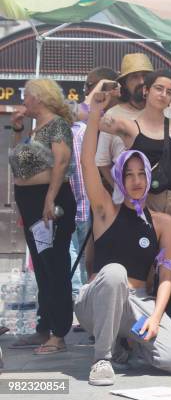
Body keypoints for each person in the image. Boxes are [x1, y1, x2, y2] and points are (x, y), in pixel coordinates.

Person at [76, 91, 171, 386]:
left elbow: (167, 274)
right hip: (96, 300)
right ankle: (102, 358)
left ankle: (130, 344)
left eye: (142, 174)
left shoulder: (164, 222)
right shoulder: (105, 211)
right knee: (114, 272)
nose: (137, 180)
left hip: (137, 303)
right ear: (119, 177)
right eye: (129, 174)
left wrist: (154, 317)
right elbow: (88, 163)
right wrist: (94, 116)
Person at [96, 25, 171, 187]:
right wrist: (121, 191)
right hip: (133, 200)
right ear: (124, 83)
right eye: (134, 77)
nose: (141, 81)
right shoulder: (114, 115)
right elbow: (102, 162)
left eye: (145, 76)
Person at [8, 79, 76, 355]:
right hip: (31, 203)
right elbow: (18, 161)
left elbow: (61, 161)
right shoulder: (36, 130)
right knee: (41, 267)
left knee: (54, 266)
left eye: (27, 97)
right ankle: (43, 328)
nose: (24, 101)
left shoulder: (57, 125)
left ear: (40, 98)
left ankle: (59, 333)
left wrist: (50, 197)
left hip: (50, 201)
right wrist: (16, 129)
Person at [97, 69, 171, 220]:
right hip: (140, 201)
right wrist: (102, 94)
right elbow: (90, 118)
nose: (163, 94)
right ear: (146, 90)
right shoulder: (128, 126)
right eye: (158, 88)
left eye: (169, 92)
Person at [69, 67, 119, 299]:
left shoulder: (117, 117)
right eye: (88, 86)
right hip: (88, 202)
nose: (87, 91)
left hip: (110, 202)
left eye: (90, 85)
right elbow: (78, 112)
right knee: (90, 263)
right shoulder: (87, 117)